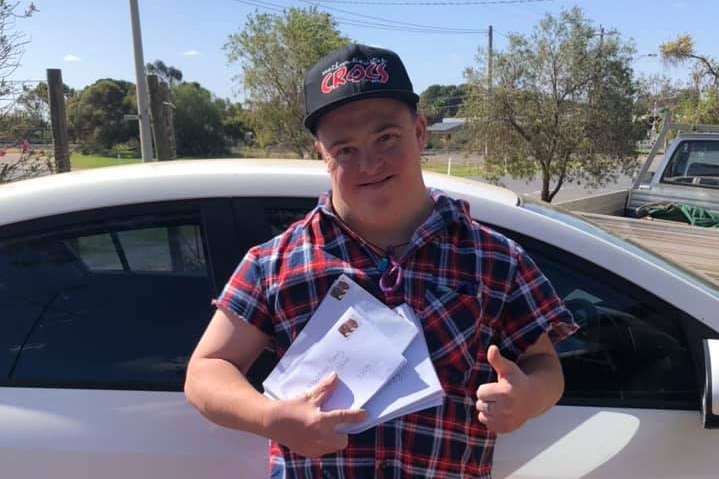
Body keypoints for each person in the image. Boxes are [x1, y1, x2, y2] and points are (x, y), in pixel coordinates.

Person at [185, 43, 578, 478]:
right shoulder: (273, 263)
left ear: (420, 132)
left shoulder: (494, 258)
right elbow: (206, 371)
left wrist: (527, 399)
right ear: (322, 154)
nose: (369, 162)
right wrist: (270, 418)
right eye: (345, 149)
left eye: (386, 138)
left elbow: (545, 366)